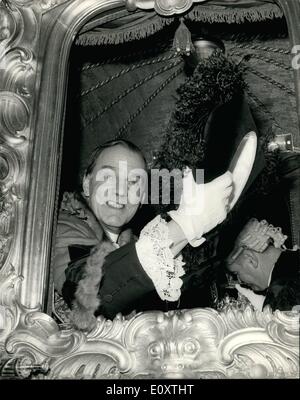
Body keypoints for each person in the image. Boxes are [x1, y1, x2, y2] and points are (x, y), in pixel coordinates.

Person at [53, 139, 234, 330]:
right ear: (87, 183)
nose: (121, 191)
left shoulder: (135, 243)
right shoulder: (62, 226)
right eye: (108, 177)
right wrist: (188, 223)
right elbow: (86, 298)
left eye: (133, 182)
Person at [226, 218, 300, 311]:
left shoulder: (283, 294)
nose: (239, 281)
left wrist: (268, 308)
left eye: (236, 273)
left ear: (250, 259)